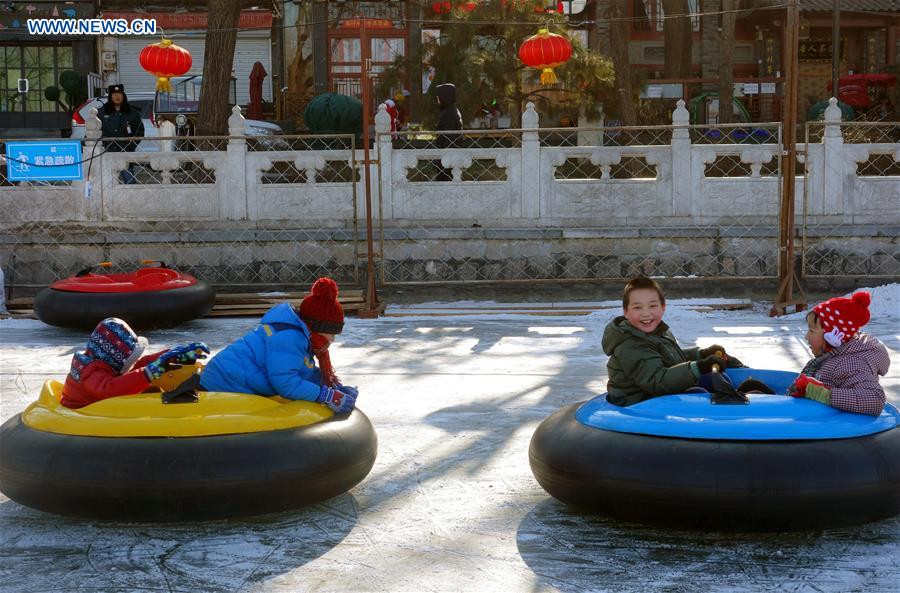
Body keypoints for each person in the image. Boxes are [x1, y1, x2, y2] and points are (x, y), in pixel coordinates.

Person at [199, 277, 358, 414]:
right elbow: (286, 382)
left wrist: (332, 387)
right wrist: (326, 396)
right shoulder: (288, 338)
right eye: (330, 333)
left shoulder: (299, 336)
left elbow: (301, 371)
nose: (332, 340)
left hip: (232, 381)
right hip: (224, 385)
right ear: (316, 329)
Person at [602, 276, 746, 407]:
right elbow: (657, 381)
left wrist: (700, 354)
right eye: (637, 307)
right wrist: (699, 367)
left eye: (652, 306)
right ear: (626, 312)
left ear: (663, 307)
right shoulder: (630, 345)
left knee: (713, 379)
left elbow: (668, 357)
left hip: (654, 396)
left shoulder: (657, 331)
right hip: (637, 404)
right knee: (697, 394)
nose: (646, 313)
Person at [60, 317, 209, 409]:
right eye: (128, 358)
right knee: (150, 395)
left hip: (101, 408)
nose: (132, 362)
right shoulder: (91, 372)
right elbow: (109, 390)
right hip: (84, 413)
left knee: (152, 390)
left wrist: (174, 356)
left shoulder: (105, 363)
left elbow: (138, 365)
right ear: (114, 356)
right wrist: (148, 373)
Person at [787, 291, 890, 416]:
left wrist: (821, 393)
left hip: (833, 430)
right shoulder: (833, 357)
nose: (806, 336)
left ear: (832, 336)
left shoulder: (848, 364)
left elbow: (875, 400)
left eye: (812, 331)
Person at [100, 84, 144, 184]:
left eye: (119, 93)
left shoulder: (133, 113)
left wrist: (131, 145)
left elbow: (140, 131)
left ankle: (131, 198)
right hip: (107, 153)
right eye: (114, 94)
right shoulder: (101, 113)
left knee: (129, 181)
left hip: (126, 153)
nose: (117, 96)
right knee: (107, 183)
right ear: (110, 96)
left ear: (123, 95)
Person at [434, 83, 462, 181]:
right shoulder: (450, 110)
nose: (437, 97)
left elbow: (450, 138)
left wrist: (444, 160)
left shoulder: (449, 113)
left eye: (439, 95)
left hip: (447, 160)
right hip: (447, 158)